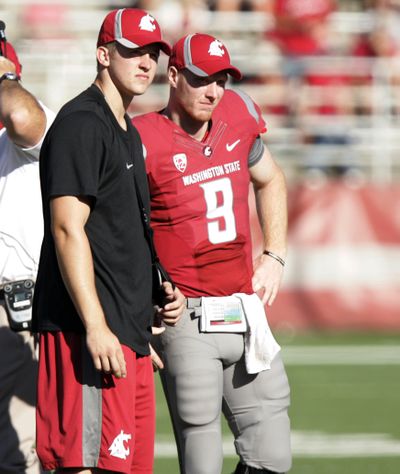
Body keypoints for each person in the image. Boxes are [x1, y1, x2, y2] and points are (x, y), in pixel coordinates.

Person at [31, 8, 184, 473]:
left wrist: (149, 306)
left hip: (126, 337)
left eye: (153, 53)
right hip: (88, 335)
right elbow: (66, 228)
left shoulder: (126, 130)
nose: (146, 62)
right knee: (88, 465)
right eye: (133, 50)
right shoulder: (82, 123)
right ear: (103, 54)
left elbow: (119, 234)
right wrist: (98, 326)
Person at [133, 33, 291, 474]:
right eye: (202, 79)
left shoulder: (237, 114)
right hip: (183, 313)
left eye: (221, 79)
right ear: (175, 75)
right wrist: (138, 304)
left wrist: (274, 255)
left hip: (241, 307)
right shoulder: (142, 138)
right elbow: (115, 229)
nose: (213, 91)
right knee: (201, 451)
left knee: (273, 457)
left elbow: (271, 178)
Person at [0, 31, 55, 473]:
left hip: (12, 310)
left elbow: (20, 113)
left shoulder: (27, 138)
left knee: (17, 455)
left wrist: (3, 69)